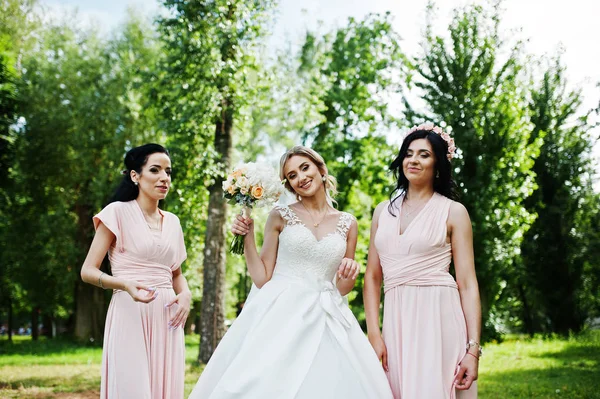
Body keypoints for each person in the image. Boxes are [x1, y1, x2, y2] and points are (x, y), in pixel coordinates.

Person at [189, 146, 393, 399]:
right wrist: (248, 236)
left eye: (305, 168)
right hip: (281, 309)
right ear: (289, 185)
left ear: (321, 169)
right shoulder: (279, 216)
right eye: (292, 175)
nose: (301, 178)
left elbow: (342, 288)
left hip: (327, 311)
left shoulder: (348, 222)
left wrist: (350, 272)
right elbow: (263, 278)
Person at [364, 124, 482, 399]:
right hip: (395, 321)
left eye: (424, 155)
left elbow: (467, 283)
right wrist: (373, 332)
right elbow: (372, 276)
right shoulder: (382, 211)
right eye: (408, 153)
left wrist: (473, 349)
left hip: (438, 318)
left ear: (438, 164)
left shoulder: (454, 212)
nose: (413, 160)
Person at [80, 143, 191, 399]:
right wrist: (125, 285)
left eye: (168, 171)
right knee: (132, 387)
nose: (164, 177)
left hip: (168, 317)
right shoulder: (116, 212)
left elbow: (176, 273)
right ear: (135, 176)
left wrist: (185, 294)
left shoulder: (173, 222)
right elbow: (88, 270)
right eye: (155, 170)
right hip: (130, 310)